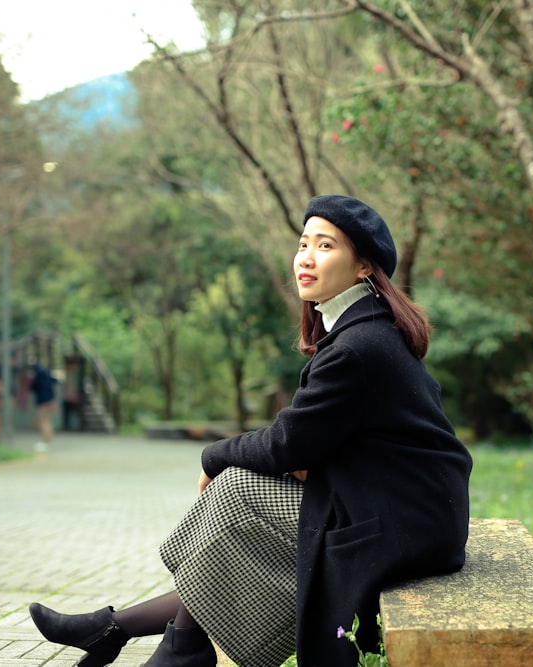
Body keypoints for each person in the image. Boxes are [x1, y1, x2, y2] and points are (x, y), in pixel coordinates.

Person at [27, 195, 473, 667]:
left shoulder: (358, 345)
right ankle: (127, 632)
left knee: (238, 491)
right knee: (245, 508)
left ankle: (148, 639)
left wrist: (213, 457)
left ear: (364, 266)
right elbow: (327, 438)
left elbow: (287, 444)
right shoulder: (362, 328)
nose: (306, 257)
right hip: (403, 505)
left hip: (405, 521)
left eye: (326, 246)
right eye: (304, 243)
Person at [30, 363, 57, 447]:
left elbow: (33, 387)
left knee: (43, 421)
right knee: (46, 420)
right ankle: (48, 439)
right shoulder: (47, 375)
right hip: (49, 400)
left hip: (42, 401)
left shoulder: (39, 375)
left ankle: (46, 441)